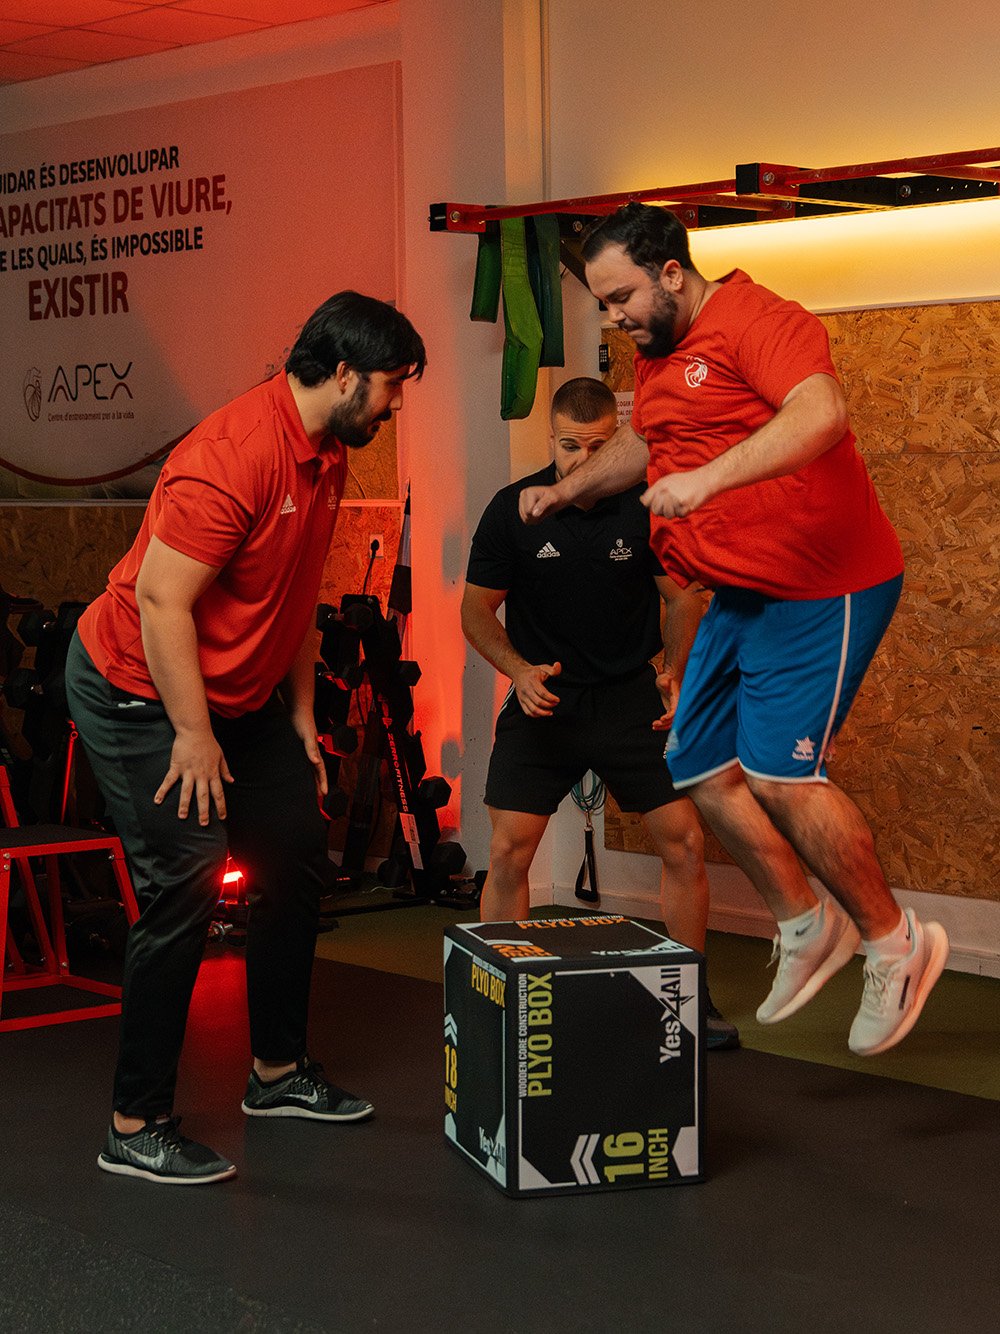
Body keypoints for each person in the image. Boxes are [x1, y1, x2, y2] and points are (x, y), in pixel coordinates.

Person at [519, 204, 948, 1058]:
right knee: (698, 764)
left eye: (619, 299)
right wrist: (569, 493)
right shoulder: (661, 350)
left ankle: (896, 943)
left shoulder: (761, 321)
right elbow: (650, 437)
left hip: (823, 585)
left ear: (671, 274)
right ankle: (803, 922)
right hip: (743, 589)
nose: (614, 319)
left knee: (781, 777)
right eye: (603, 305)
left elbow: (820, 413)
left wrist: (709, 481)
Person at [65, 291, 426, 1185]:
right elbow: (160, 600)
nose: (396, 405)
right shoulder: (233, 457)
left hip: (235, 694)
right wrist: (193, 733)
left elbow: (291, 593)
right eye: (390, 387)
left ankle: (276, 1071)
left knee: (300, 850)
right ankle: (134, 1120)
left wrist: (299, 716)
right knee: (184, 882)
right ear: (343, 374)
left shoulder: (328, 452)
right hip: (137, 687)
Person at [462, 375, 739, 1050]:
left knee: (686, 842)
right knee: (506, 850)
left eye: (596, 447)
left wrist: (674, 670)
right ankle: (503, 995)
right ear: (550, 438)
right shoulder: (512, 510)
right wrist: (519, 672)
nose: (580, 462)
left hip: (628, 700)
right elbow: (475, 609)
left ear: (617, 442)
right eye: (567, 446)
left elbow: (682, 597)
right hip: (545, 698)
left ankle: (688, 999)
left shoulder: (644, 508)